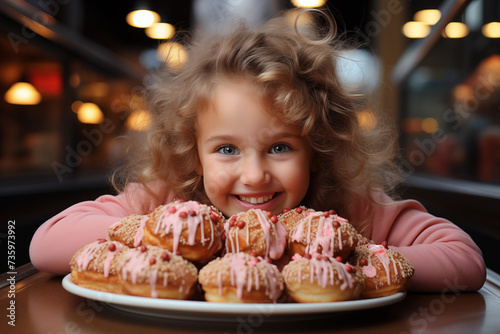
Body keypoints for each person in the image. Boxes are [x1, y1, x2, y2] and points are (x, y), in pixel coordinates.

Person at [30, 9, 486, 292]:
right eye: (226, 148)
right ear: (194, 154)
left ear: (318, 150)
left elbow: (465, 261)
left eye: (280, 147)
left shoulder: (349, 213)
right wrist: (172, 242)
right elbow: (45, 243)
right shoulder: (170, 203)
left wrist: (346, 260)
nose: (253, 176)